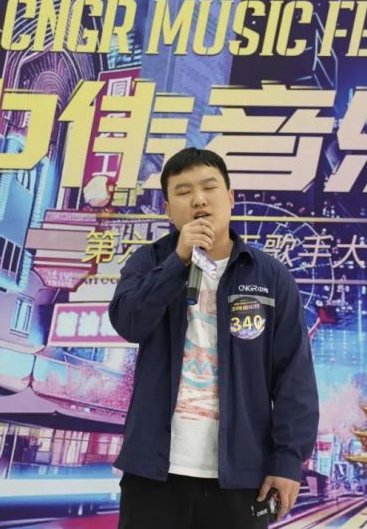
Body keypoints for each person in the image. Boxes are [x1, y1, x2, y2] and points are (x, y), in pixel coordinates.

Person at [109, 148, 319, 528]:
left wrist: (288, 460)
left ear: (231, 198)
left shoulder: (270, 276)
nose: (199, 200)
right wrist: (178, 261)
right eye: (183, 191)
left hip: (242, 478)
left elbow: (294, 375)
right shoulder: (148, 262)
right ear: (168, 209)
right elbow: (130, 323)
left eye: (209, 188)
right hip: (153, 473)